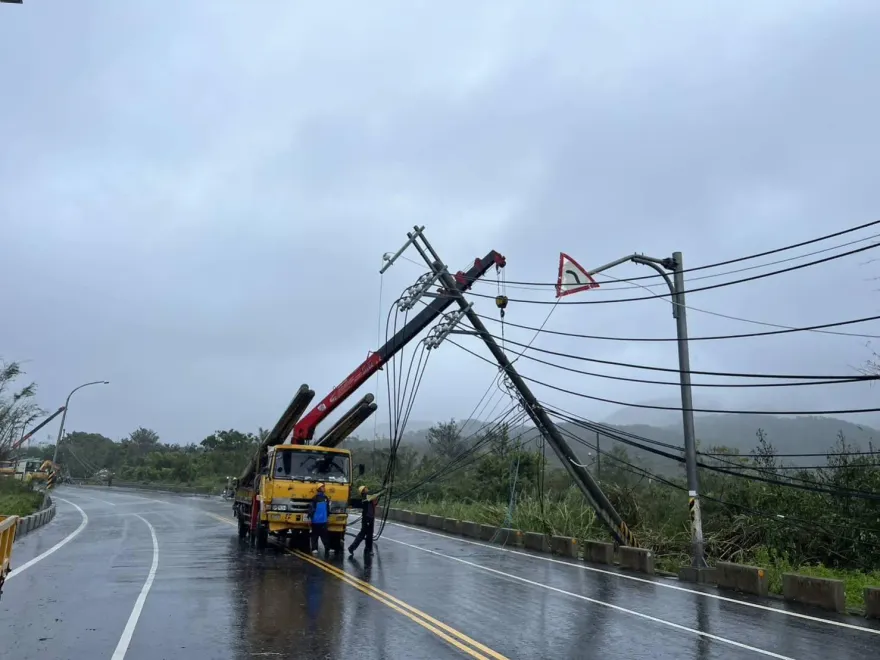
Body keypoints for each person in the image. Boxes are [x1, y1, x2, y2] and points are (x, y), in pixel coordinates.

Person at [348, 485, 385, 557]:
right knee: (363, 534)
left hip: (370, 518)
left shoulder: (368, 497)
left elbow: (375, 500)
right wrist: (383, 490)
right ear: (363, 491)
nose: (367, 489)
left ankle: (367, 549)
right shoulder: (367, 496)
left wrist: (381, 493)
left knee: (369, 535)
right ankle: (352, 548)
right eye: (365, 488)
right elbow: (376, 494)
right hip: (367, 518)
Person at [309, 483, 331, 556]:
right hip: (316, 520)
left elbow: (327, 508)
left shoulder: (326, 498)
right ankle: (314, 549)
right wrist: (310, 518)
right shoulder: (315, 498)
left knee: (325, 535)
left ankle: (327, 548)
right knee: (315, 535)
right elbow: (311, 508)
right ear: (319, 489)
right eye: (322, 487)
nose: (324, 488)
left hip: (324, 520)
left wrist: (328, 517)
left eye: (324, 487)